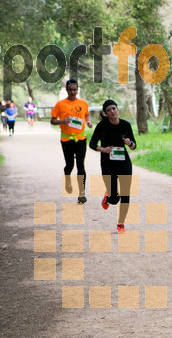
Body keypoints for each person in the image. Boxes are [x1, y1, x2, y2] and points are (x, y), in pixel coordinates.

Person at [89, 99, 137, 234]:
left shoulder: (126, 125)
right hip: (108, 164)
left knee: (126, 193)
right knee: (114, 199)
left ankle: (121, 223)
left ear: (117, 109)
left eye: (114, 108)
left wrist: (129, 143)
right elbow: (92, 144)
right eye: (109, 110)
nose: (112, 112)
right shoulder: (102, 126)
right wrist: (103, 149)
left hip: (124, 163)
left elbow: (134, 145)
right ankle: (108, 196)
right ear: (106, 113)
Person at [51, 79, 92, 204]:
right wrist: (62, 122)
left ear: (77, 90)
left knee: (81, 165)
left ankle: (81, 193)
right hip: (66, 138)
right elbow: (52, 120)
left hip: (80, 138)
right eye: (70, 90)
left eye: (75, 90)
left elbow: (86, 115)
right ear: (67, 90)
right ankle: (67, 176)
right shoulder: (60, 104)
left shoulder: (83, 103)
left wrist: (88, 121)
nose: (73, 92)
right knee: (70, 165)